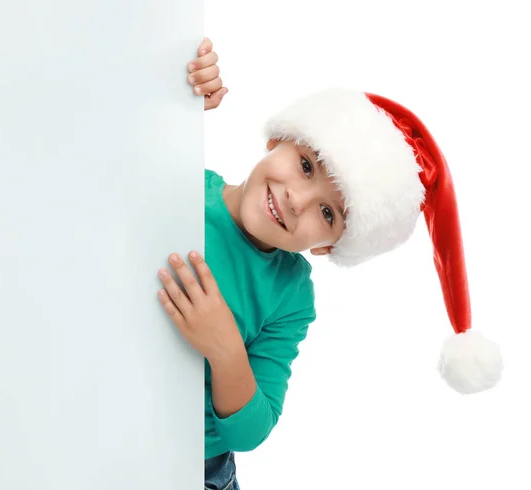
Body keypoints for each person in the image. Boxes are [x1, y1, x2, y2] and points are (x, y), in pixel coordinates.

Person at [155, 38, 504, 490]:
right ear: (278, 139)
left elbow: (248, 432)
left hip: (197, 470)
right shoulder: (180, 184)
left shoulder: (291, 293)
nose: (297, 200)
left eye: (328, 213)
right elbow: (104, 159)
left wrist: (224, 347)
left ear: (327, 248)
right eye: (305, 165)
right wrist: (176, 99)